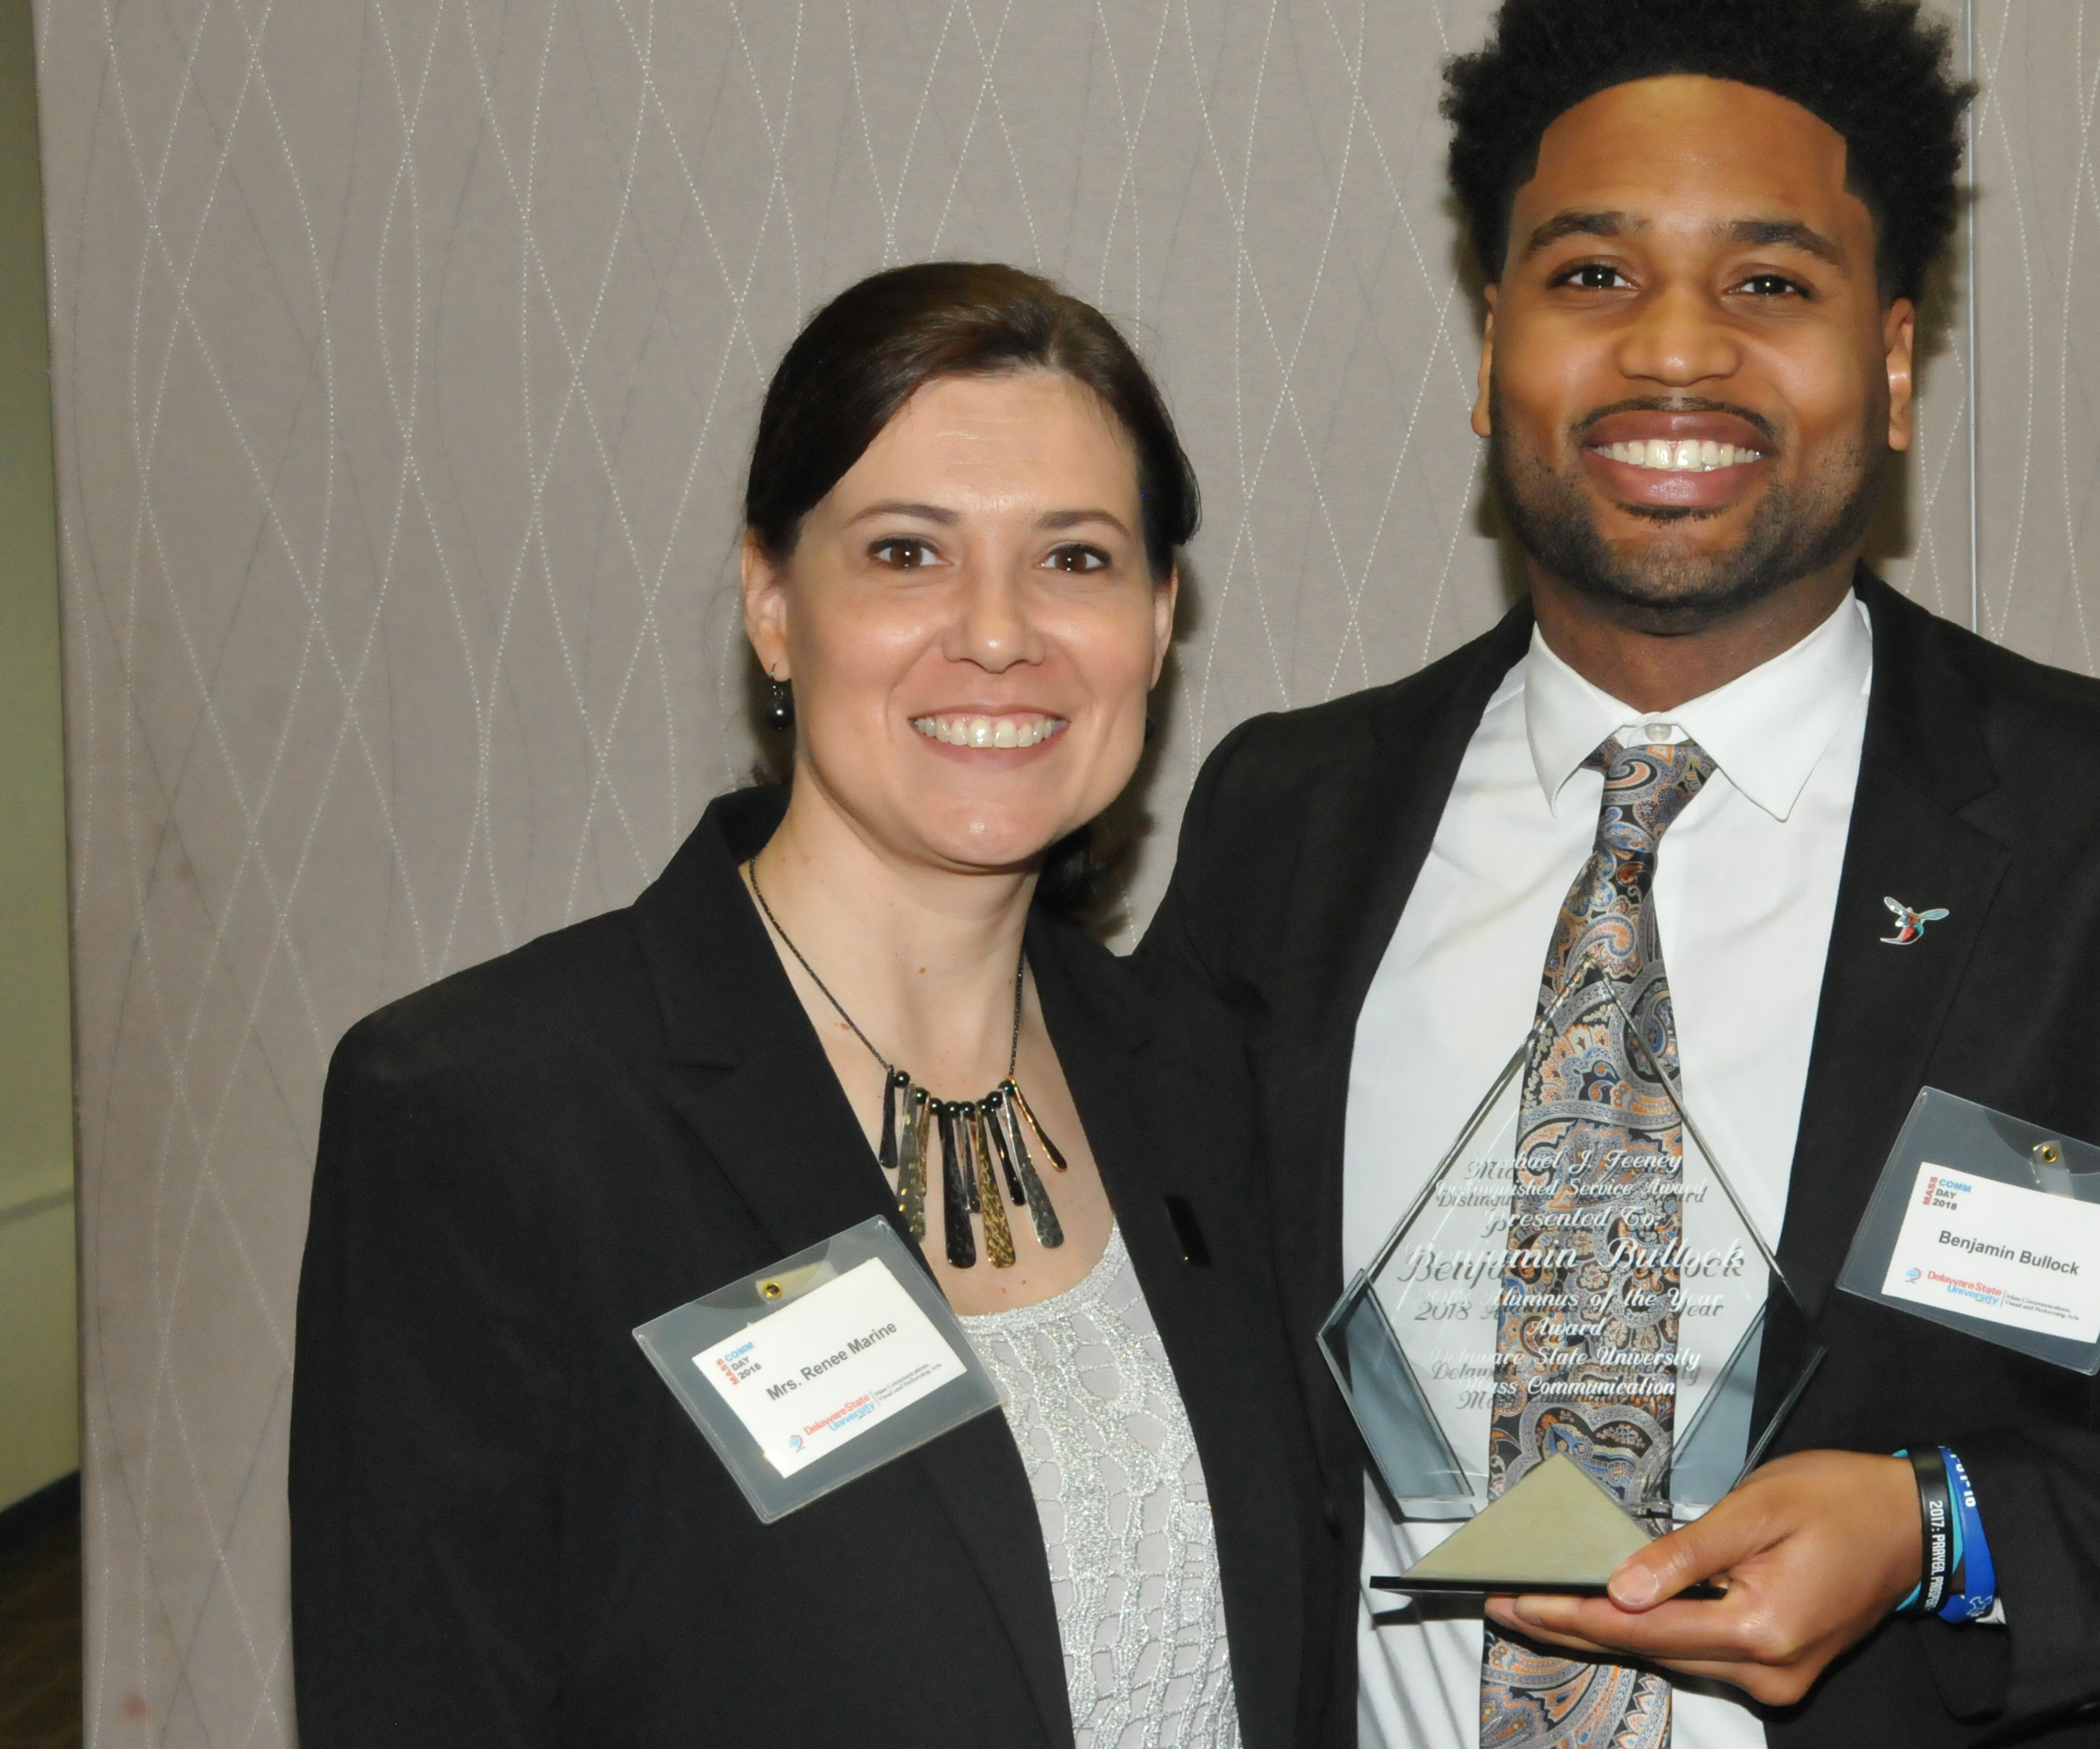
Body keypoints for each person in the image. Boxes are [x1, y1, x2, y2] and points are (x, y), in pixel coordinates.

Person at [1142, 0, 2100, 1749]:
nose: (1672, 354)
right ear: (1489, 348)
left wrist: (1946, 1527)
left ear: (1898, 362)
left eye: (1769, 283)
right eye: (1591, 274)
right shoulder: (1285, 825)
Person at [292, 262, 1332, 1748]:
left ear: (1159, 622)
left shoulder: (1198, 1077)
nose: (995, 632)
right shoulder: (495, 1114)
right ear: (773, 605)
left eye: (1076, 559)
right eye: (906, 553)